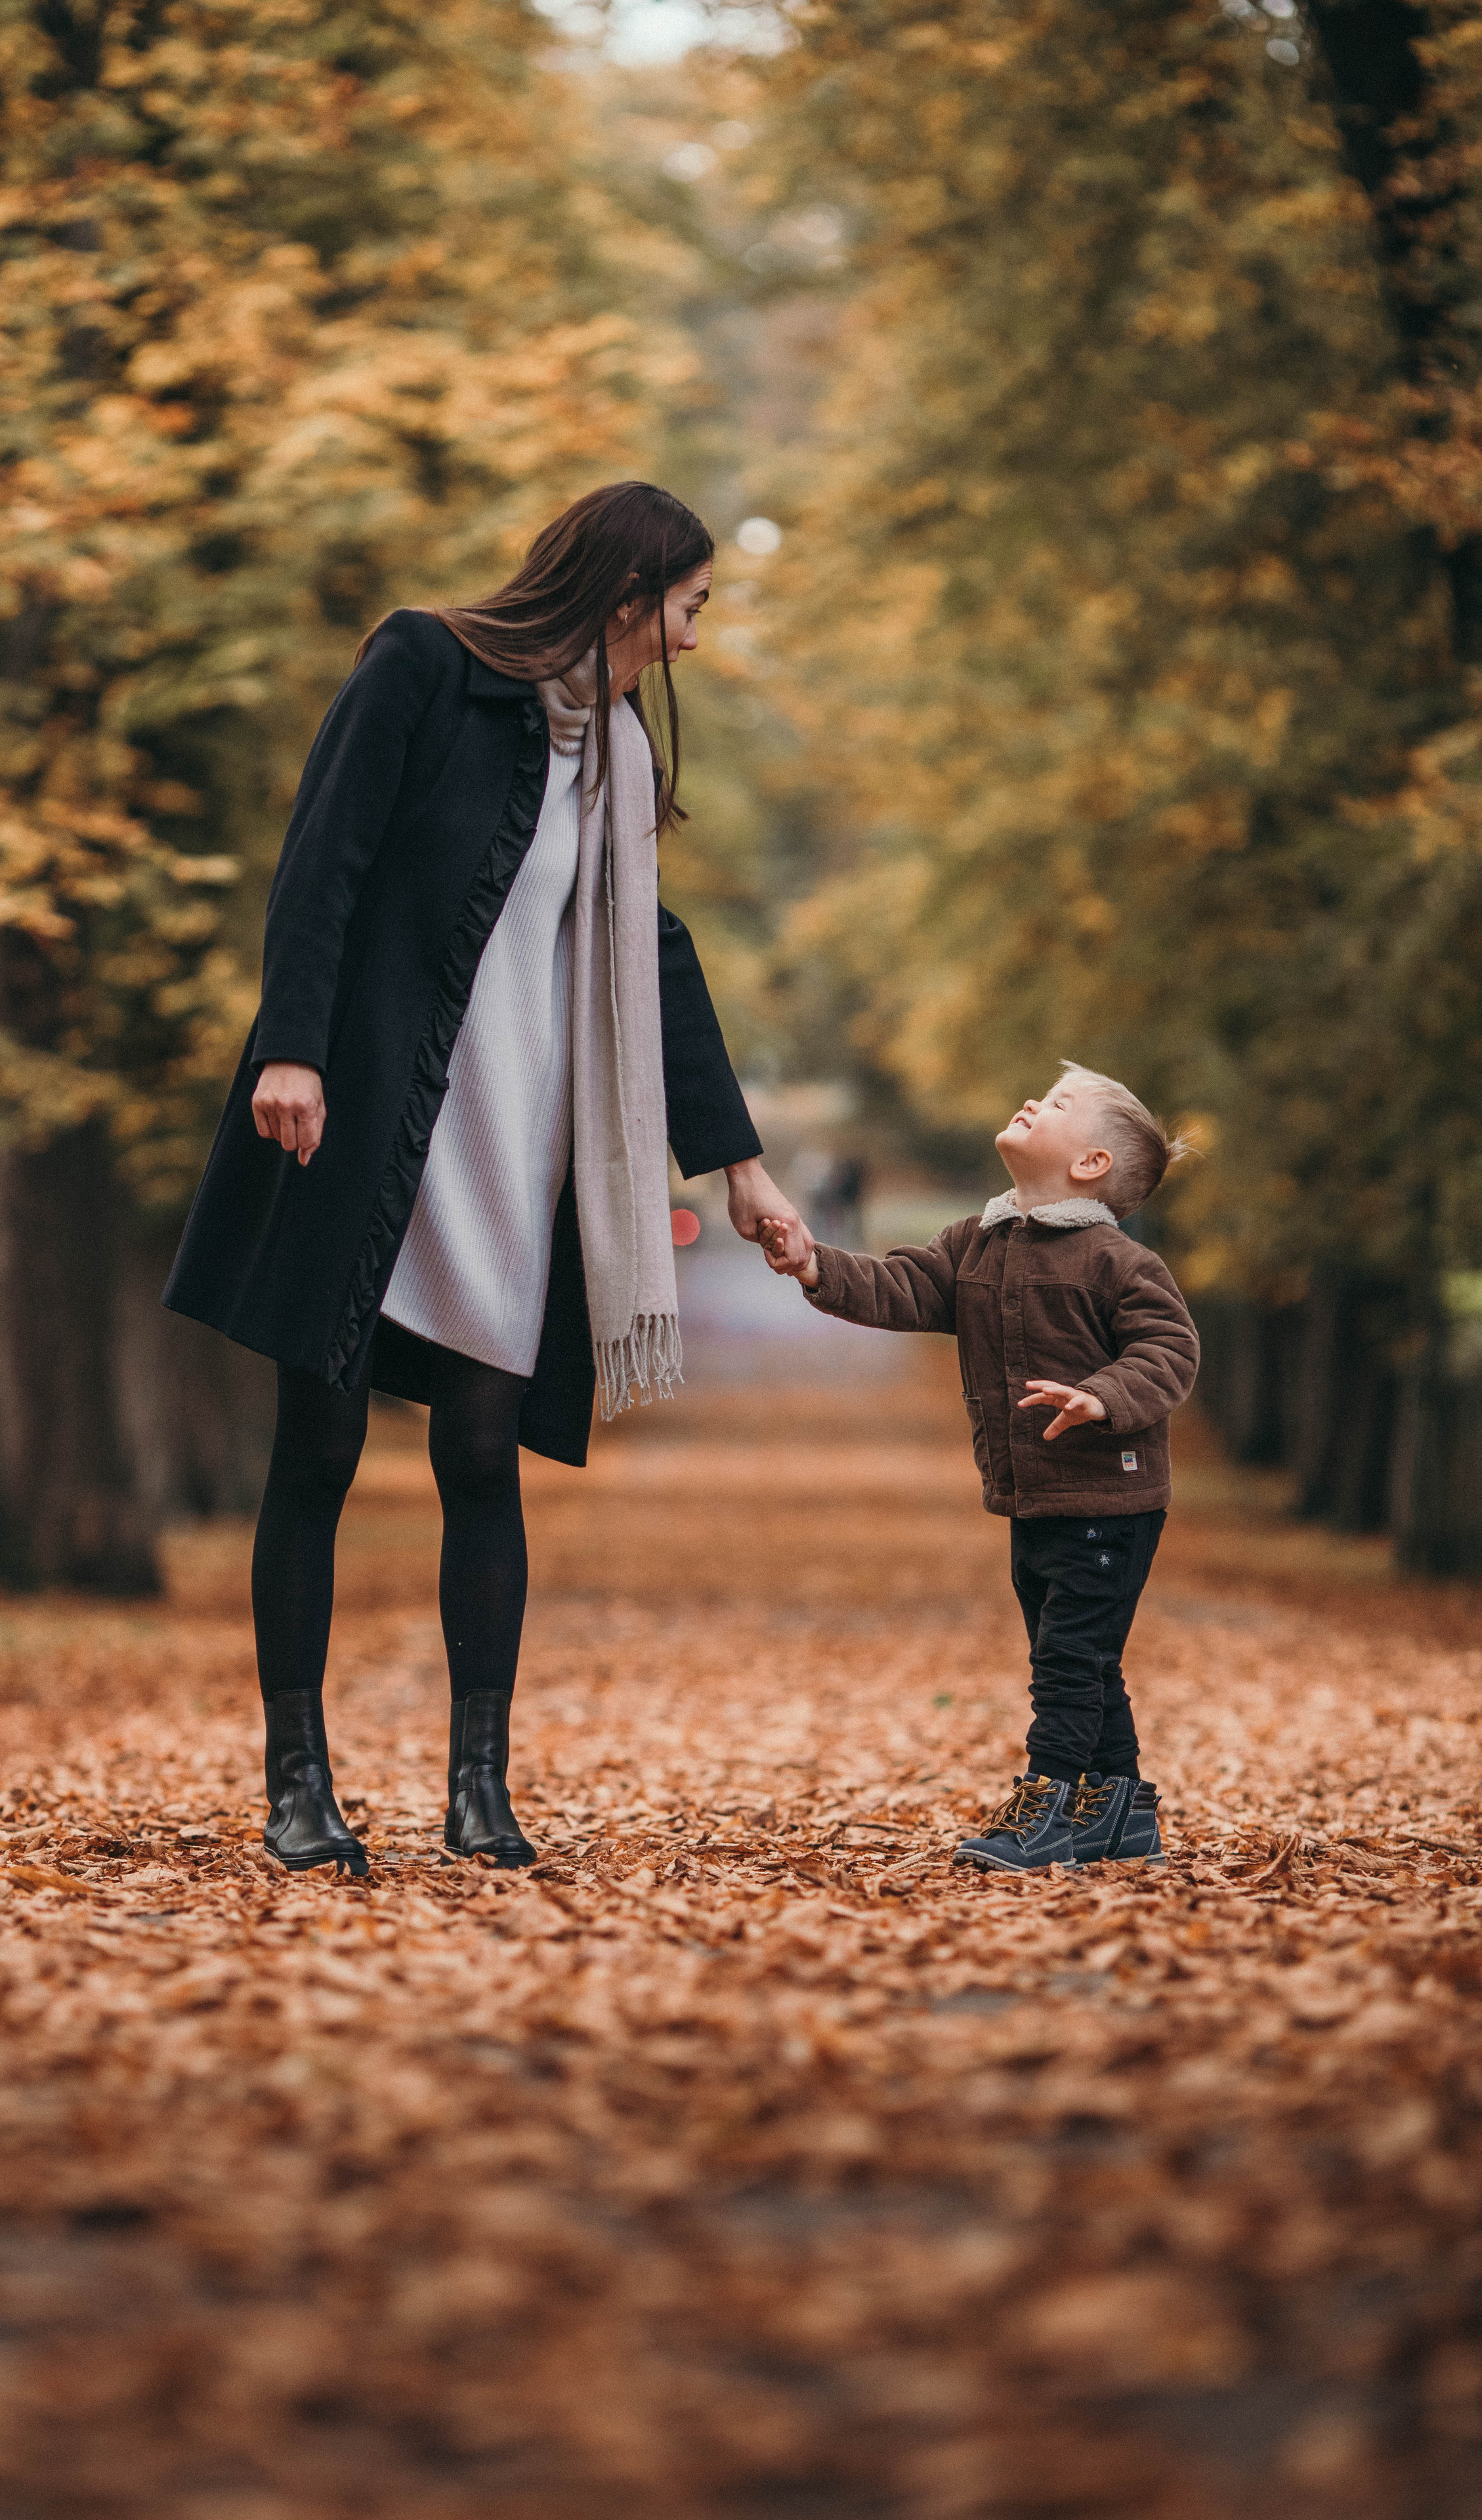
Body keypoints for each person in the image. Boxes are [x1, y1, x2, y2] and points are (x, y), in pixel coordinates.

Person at [165, 483, 801, 1879]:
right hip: (358, 1114)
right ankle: (297, 1788)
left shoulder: (614, 755)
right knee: (318, 1451)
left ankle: (477, 1792)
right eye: (691, 605)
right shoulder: (422, 665)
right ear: (629, 594)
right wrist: (291, 1049)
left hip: (514, 1149)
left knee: (479, 1458)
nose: (692, 639)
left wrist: (737, 1165)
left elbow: (658, 955)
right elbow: (321, 862)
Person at [759, 1064, 1198, 1874]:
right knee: (1082, 1656)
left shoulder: (1116, 1262)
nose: (1034, 1100)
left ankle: (1048, 1802)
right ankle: (1121, 1810)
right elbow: (901, 1287)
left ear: (1091, 1165)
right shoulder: (978, 1242)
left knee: (1066, 1662)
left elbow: (1170, 1349)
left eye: (1059, 1104)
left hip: (1112, 1498)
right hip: (1032, 1498)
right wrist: (813, 1263)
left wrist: (1102, 1397)